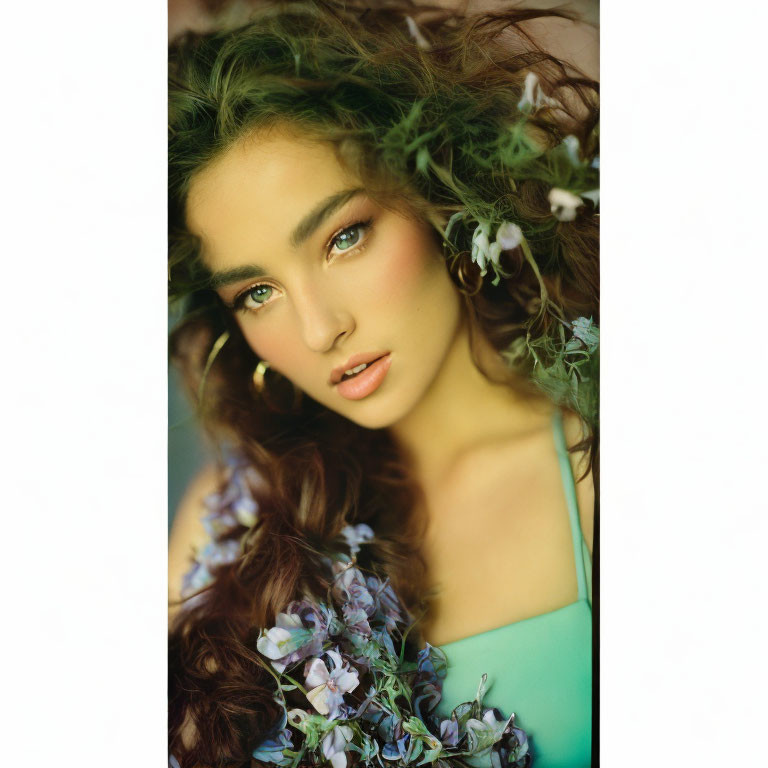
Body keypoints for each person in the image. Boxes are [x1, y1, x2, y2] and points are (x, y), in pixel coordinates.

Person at [167, 2, 599, 766]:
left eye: (344, 238)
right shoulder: (227, 525)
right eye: (257, 292)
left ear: (439, 197)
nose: (318, 329)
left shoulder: (600, 468)